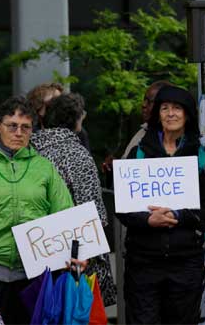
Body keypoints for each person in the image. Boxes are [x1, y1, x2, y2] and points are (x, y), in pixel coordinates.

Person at [0, 96, 74, 324]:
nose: (18, 132)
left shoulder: (44, 168)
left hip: (35, 273)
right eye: (12, 126)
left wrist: (75, 252)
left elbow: (65, 213)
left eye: (25, 127)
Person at [117, 85, 205, 324]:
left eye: (177, 108)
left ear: (188, 115)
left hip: (185, 262)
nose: (170, 114)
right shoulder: (138, 154)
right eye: (164, 108)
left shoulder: (200, 156)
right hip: (143, 263)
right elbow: (122, 207)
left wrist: (179, 217)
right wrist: (147, 220)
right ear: (157, 114)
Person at [30, 93, 117, 306]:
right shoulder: (76, 153)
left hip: (36, 247)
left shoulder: (30, 150)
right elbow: (92, 208)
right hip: (73, 253)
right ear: (76, 119)